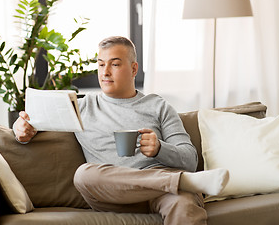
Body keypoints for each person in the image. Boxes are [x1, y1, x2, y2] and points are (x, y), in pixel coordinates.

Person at [13, 36, 229, 225]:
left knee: (184, 203)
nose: (105, 72)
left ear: (134, 69)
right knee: (84, 174)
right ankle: (183, 181)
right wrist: (19, 128)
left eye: (114, 64)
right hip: (114, 196)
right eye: (100, 65)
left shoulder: (158, 106)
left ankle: (178, 183)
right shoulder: (80, 107)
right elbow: (30, 121)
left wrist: (159, 149)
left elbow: (189, 159)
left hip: (164, 194)